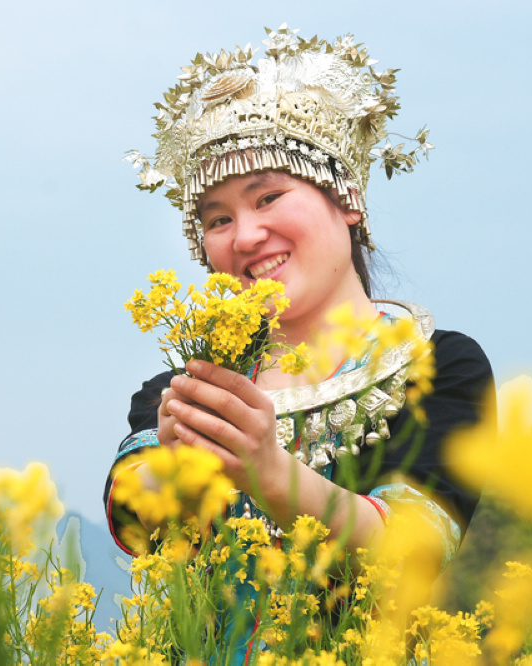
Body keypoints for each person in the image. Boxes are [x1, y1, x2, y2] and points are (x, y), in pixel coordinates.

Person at [103, 24, 493, 657]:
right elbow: (138, 515)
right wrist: (172, 472)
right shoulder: (187, 383)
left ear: (348, 199)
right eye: (219, 219)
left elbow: (416, 550)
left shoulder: (438, 365)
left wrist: (267, 471)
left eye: (270, 197)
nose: (247, 235)